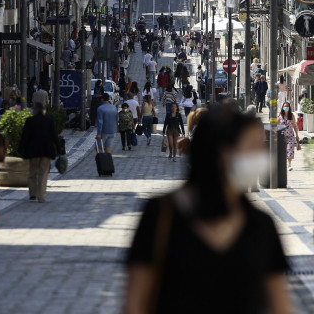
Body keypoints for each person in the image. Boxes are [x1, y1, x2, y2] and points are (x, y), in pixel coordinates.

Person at [124, 106, 292, 313]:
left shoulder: (261, 225)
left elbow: (280, 306)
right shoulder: (161, 214)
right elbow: (135, 303)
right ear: (220, 151)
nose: (260, 156)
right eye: (251, 147)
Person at [19, 102, 59, 202]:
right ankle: (41, 196)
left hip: (33, 151)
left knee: (32, 172)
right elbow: (54, 136)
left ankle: (33, 193)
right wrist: (59, 149)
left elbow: (24, 137)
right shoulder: (49, 120)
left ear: (35, 110)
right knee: (43, 173)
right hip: (46, 151)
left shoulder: (30, 121)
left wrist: (20, 149)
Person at [279, 102, 300, 171]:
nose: (286, 108)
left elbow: (294, 126)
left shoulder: (292, 116)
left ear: (289, 107)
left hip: (290, 136)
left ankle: (289, 165)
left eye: (287, 106)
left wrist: (297, 135)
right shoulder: (280, 116)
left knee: (290, 150)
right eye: (284, 106)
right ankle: (282, 164)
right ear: (282, 107)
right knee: (282, 151)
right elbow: (275, 125)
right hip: (282, 136)